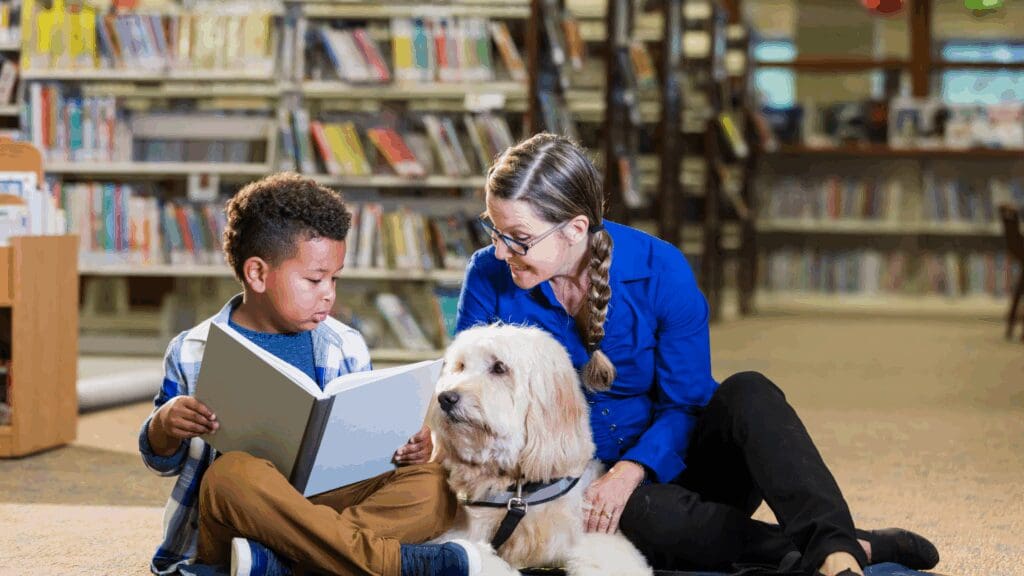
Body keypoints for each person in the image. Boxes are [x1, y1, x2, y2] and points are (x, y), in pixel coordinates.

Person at [455, 133, 940, 576]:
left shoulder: (661, 268)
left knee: (749, 390)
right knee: (637, 515)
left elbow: (686, 403)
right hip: (573, 488)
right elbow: (462, 381)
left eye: (516, 237)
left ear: (574, 229)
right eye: (493, 231)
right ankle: (853, 549)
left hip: (679, 464)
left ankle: (834, 553)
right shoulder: (486, 275)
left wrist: (632, 469)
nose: (500, 251)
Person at [139, 173, 480, 576]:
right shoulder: (193, 350)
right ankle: (385, 563)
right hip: (242, 513)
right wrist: (165, 424)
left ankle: (278, 565)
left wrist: (405, 448)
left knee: (435, 486)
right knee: (231, 475)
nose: (329, 294)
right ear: (258, 274)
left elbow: (367, 456)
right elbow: (163, 461)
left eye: (335, 278)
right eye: (315, 280)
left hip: (327, 504)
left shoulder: (346, 344)